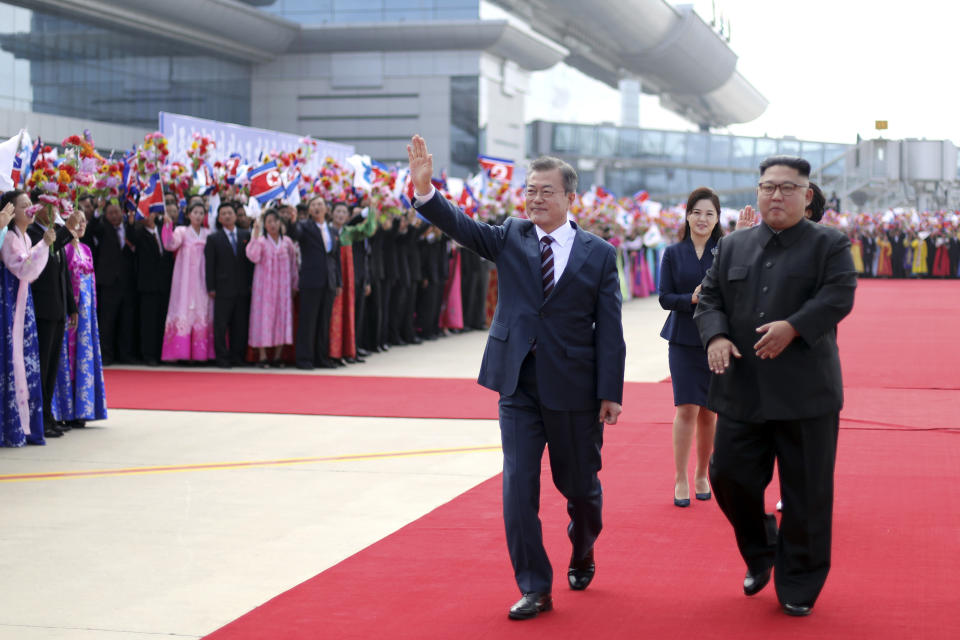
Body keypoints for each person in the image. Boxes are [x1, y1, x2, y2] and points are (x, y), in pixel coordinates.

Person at [407, 135, 625, 620]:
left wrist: (611, 391)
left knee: (582, 489)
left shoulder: (598, 254)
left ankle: (583, 544)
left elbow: (610, 329)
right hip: (518, 385)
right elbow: (461, 227)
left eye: (547, 191)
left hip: (574, 390)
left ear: (571, 197)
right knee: (517, 486)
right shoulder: (510, 235)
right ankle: (535, 585)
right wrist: (427, 194)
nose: (535, 199)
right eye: (530, 190)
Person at [694, 156, 857, 617]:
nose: (776, 196)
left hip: (806, 394)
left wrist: (796, 327)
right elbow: (709, 299)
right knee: (727, 476)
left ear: (807, 196)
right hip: (742, 391)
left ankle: (800, 582)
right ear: (757, 192)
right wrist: (718, 335)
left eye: (788, 188)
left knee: (806, 493)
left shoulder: (829, 243)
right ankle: (761, 547)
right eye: (768, 187)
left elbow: (839, 294)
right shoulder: (732, 246)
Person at [658, 187, 721, 507]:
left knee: (709, 413)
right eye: (697, 212)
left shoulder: (724, 250)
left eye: (709, 213)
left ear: (717, 219)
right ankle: (680, 477)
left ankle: (701, 473)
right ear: (687, 215)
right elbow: (664, 298)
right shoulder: (672, 253)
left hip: (714, 339)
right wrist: (691, 299)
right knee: (686, 408)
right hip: (682, 338)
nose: (702, 219)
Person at [28, 197, 81, 439]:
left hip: (57, 308)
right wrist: (67, 231)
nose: (53, 211)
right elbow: (43, 255)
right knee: (42, 365)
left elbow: (64, 275)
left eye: (56, 207)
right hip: (42, 308)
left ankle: (48, 415)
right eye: (48, 206)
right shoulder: (32, 232)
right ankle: (39, 417)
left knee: (51, 368)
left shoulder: (54, 232)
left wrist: (72, 307)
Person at [0, 192, 48, 446]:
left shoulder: (26, 236)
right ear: (11, 211)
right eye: (23, 205)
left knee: (25, 359)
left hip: (21, 305)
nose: (30, 209)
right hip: (10, 308)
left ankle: (26, 424)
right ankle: (13, 426)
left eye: (31, 204)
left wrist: (42, 244)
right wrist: (45, 245)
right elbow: (24, 267)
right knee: (13, 359)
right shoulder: (8, 237)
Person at [52, 215, 107, 428]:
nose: (82, 224)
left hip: (86, 315)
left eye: (85, 220)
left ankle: (83, 409)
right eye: (77, 220)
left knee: (84, 357)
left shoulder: (86, 249)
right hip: (70, 311)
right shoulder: (63, 248)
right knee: (68, 359)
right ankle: (66, 410)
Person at [287, 196, 341, 369]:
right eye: (314, 205)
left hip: (329, 282)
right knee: (308, 322)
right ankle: (304, 359)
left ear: (326, 209)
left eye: (320, 204)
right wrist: (293, 221)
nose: (317, 207)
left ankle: (321, 358)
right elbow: (295, 234)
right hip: (311, 281)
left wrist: (338, 281)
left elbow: (335, 259)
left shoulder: (332, 231)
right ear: (310, 210)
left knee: (324, 322)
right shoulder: (305, 226)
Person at [161, 202, 214, 362]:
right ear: (189, 214)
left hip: (203, 278)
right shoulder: (182, 231)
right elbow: (170, 244)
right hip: (184, 279)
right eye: (195, 212)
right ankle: (181, 353)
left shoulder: (208, 233)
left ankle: (201, 354)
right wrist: (167, 226)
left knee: (203, 309)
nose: (198, 216)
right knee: (183, 308)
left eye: (201, 213)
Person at [87, 199, 137, 365]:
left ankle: (125, 354)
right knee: (107, 321)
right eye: (110, 213)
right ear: (105, 215)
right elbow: (91, 228)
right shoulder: (102, 228)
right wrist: (97, 211)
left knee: (127, 321)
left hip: (127, 282)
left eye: (117, 212)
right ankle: (106, 356)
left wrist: (130, 223)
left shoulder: (129, 227)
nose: (114, 216)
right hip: (109, 282)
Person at [246, 209, 298, 367]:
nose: (273, 225)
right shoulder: (261, 241)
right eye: (269, 222)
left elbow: (293, 265)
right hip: (264, 288)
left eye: (276, 221)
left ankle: (278, 355)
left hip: (283, 288)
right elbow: (252, 256)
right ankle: (262, 356)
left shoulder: (287, 242)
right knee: (263, 319)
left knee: (281, 318)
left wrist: (294, 285)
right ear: (265, 225)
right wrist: (254, 234)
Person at [328, 200, 376, 363]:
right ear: (331, 213)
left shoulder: (349, 232)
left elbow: (368, 229)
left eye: (343, 212)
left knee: (348, 314)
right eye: (337, 211)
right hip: (330, 279)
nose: (340, 215)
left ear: (348, 216)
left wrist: (372, 210)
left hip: (347, 281)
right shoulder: (327, 230)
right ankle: (331, 353)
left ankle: (347, 351)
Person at [205, 202, 253, 368]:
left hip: (242, 288)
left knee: (240, 325)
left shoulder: (246, 234)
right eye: (223, 213)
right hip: (222, 288)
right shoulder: (213, 238)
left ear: (235, 215)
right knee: (221, 325)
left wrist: (250, 283)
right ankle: (222, 358)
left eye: (230, 213)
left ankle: (237, 356)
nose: (227, 216)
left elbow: (250, 264)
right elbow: (209, 265)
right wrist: (210, 287)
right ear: (219, 218)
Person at [133, 202, 175, 366]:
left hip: (164, 284)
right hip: (147, 285)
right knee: (148, 322)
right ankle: (148, 354)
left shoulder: (162, 229)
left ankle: (161, 353)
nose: (149, 215)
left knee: (161, 321)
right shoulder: (138, 233)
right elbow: (130, 236)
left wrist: (168, 224)